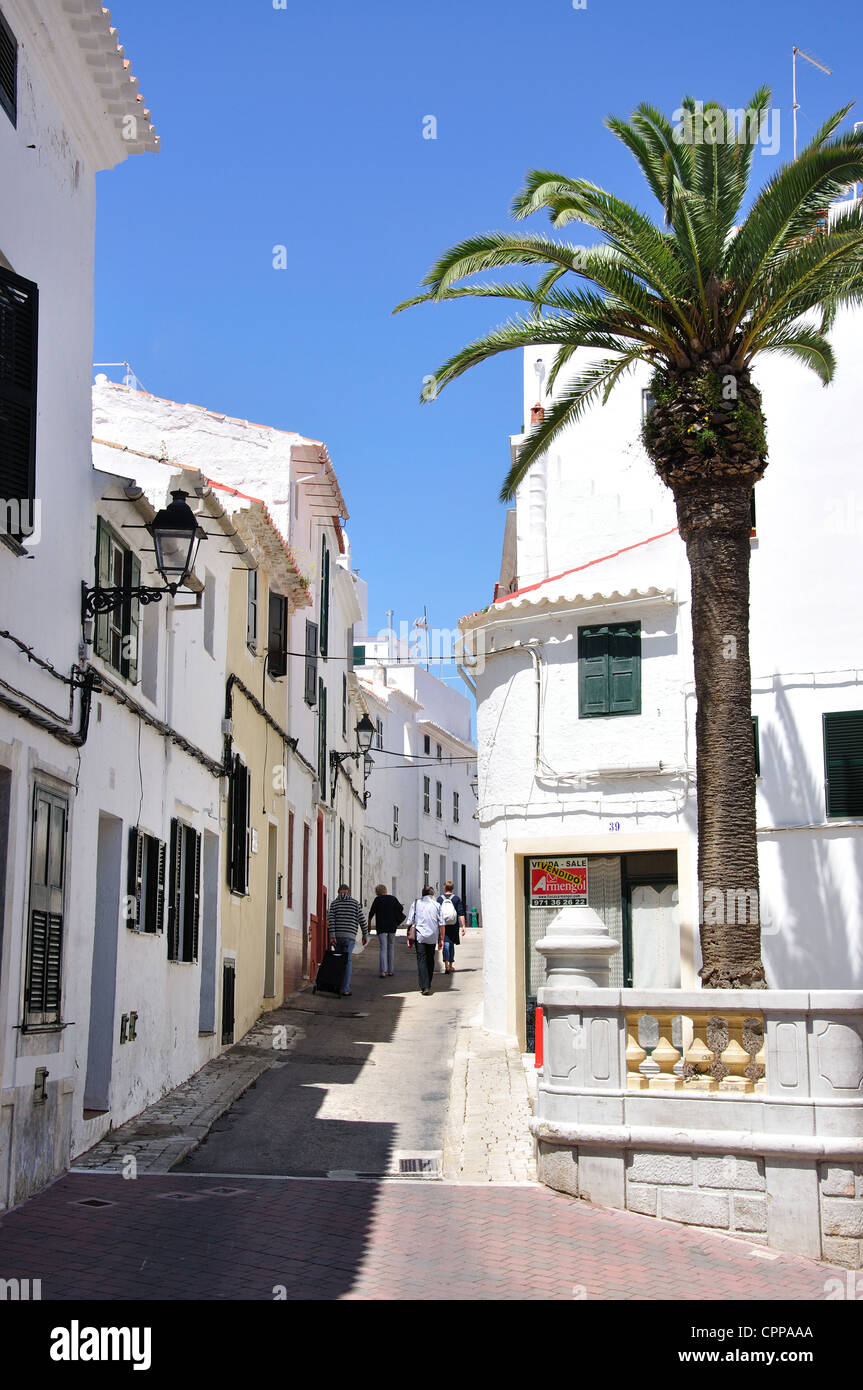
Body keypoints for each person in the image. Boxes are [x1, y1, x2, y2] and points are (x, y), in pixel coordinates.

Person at [326, 884, 368, 996]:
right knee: (347, 961)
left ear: (338, 892)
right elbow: (362, 921)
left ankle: (337, 986)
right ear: (348, 892)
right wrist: (365, 935)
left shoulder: (334, 904)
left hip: (337, 936)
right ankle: (345, 989)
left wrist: (332, 936)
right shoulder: (354, 903)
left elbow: (331, 921)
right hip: (349, 937)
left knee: (338, 961)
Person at [405, 886, 444, 996]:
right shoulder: (437, 905)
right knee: (431, 959)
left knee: (421, 959)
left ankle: (424, 985)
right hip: (432, 936)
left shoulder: (416, 903)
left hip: (420, 936)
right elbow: (441, 924)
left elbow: (410, 920)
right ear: (432, 895)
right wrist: (441, 938)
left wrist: (408, 936)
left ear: (422, 894)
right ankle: (428, 983)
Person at [367, 884, 404, 977]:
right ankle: (390, 970)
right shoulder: (393, 899)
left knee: (383, 947)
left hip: (381, 926)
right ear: (385, 890)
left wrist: (369, 925)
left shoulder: (377, 900)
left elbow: (371, 913)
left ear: (377, 892)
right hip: (392, 926)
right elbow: (401, 908)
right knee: (391, 947)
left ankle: (383, 971)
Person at [437, 879, 466, 973]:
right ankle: (450, 965)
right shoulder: (456, 899)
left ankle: (446, 965)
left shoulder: (440, 899)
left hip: (443, 924)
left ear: (444, 887)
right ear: (453, 888)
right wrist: (463, 926)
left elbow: (437, 913)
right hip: (454, 925)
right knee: (451, 944)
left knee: (445, 943)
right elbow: (461, 913)